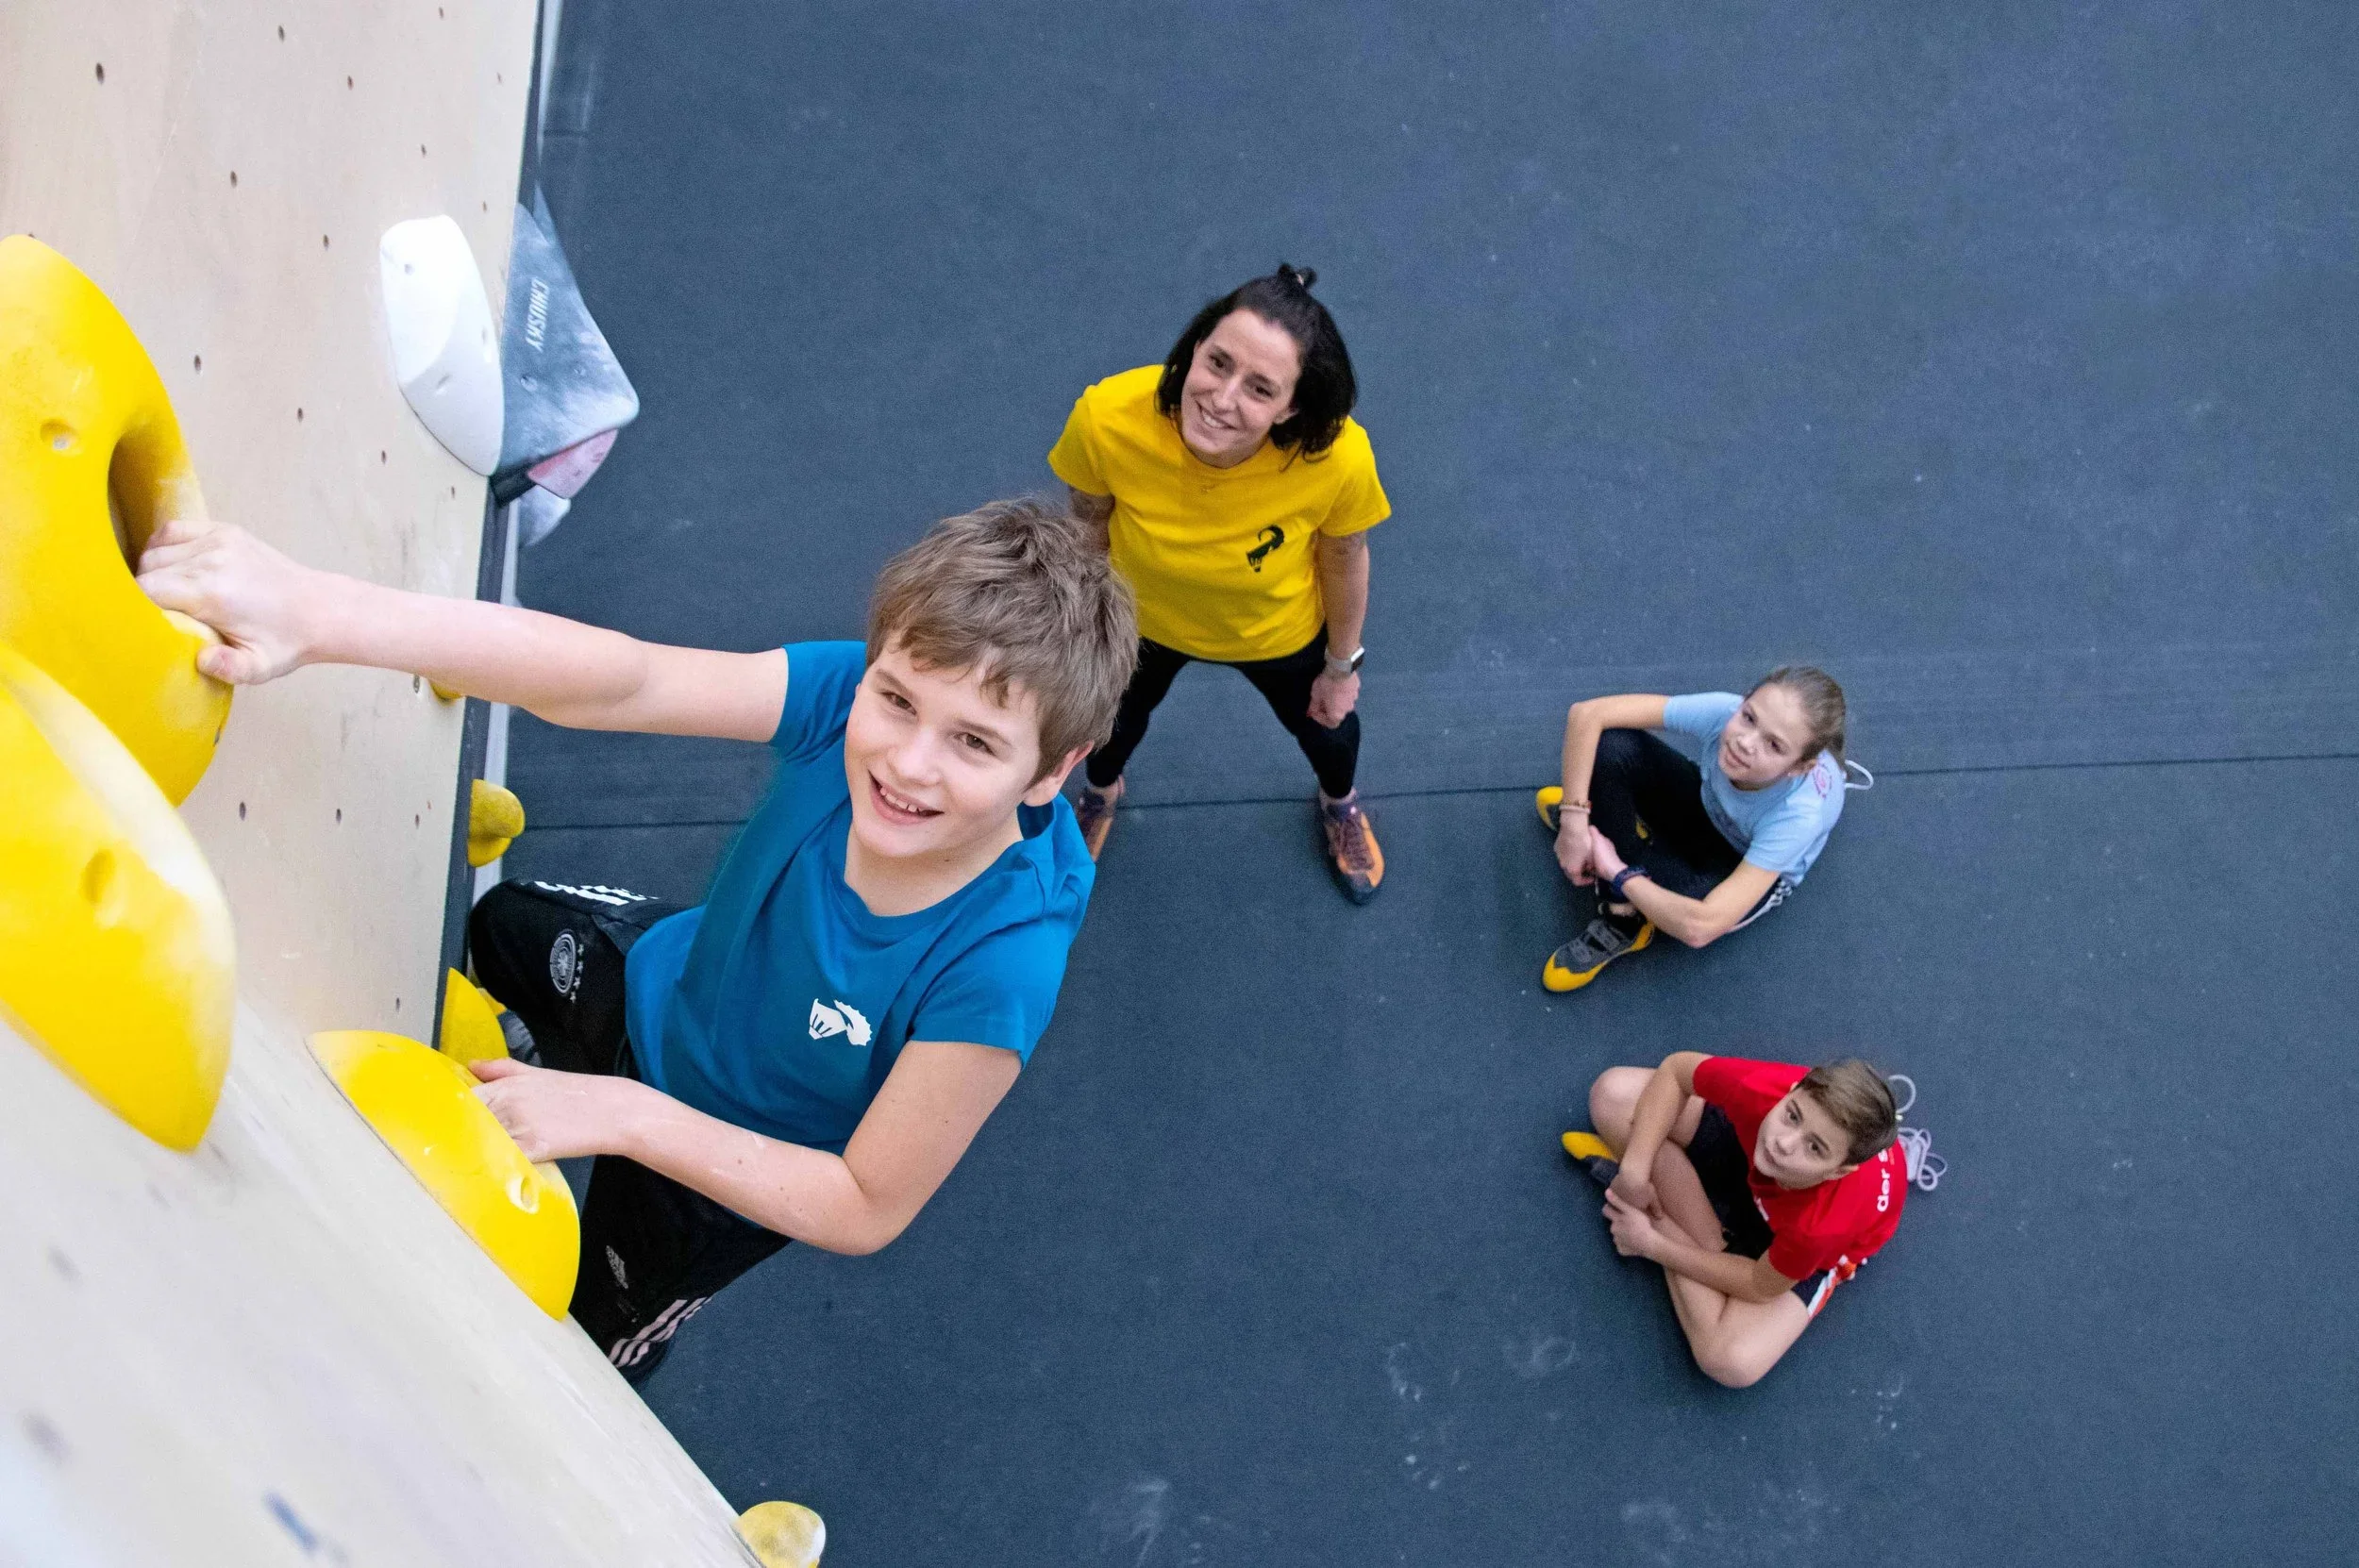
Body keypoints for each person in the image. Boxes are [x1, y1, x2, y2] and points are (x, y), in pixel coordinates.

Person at [137, 497, 1136, 1380]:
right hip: (664, 976)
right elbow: (624, 680)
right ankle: (565, 1072)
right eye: (899, 701)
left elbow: (864, 1202)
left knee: (576, 1330)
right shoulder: (844, 703)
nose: (909, 763)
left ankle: (603, 1312)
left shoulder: (1000, 965)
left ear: (1052, 773)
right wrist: (319, 612)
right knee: (500, 922)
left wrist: (623, 1117)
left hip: (714, 1174)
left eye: (974, 743)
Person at [1049, 263, 1393, 902]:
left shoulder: (1338, 457)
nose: (1222, 398)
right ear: (1194, 349)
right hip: (1139, 617)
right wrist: (1085, 631)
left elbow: (1345, 557)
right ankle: (1099, 792)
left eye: (1261, 389)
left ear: (1293, 406)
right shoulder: (1107, 416)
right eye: (1218, 363)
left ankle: (1339, 802)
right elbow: (1088, 521)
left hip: (1274, 632)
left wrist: (1341, 666)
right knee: (1106, 724)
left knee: (1331, 729)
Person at [1562, 1051, 1906, 1388]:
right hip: (1749, 1162)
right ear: (1792, 1091)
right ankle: (1705, 1235)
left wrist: (1652, 1243)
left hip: (1788, 1247)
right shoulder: (1766, 1090)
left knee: (1728, 1360)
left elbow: (1758, 1284)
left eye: (1815, 1147)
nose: (1783, 1143)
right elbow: (1676, 1071)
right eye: (1793, 1115)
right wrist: (1636, 1172)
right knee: (1613, 1094)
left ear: (1838, 1172)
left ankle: (1660, 1218)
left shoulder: (1821, 1227)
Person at [1535, 668, 1859, 991]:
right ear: (1744, 702)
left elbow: (1700, 926)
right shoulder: (1726, 713)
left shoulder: (1800, 816)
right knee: (1612, 745)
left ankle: (1624, 919)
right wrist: (1573, 823)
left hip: (1738, 860)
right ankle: (1606, 838)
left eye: (1774, 745)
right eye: (1749, 717)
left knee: (1683, 910)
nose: (1745, 742)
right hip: (1707, 804)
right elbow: (1587, 715)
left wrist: (1617, 872)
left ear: (1799, 767)